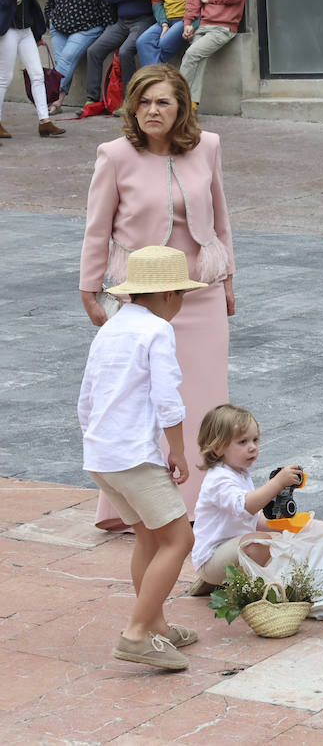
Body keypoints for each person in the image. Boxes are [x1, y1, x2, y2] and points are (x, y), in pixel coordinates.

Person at [81, 64, 236, 531]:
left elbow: (222, 219)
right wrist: (90, 291)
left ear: (181, 107)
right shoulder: (114, 155)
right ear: (132, 106)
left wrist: (229, 278)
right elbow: (97, 229)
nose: (152, 110)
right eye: (143, 101)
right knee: (139, 401)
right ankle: (137, 508)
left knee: (205, 401)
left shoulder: (208, 146)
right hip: (139, 299)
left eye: (163, 102)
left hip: (200, 295)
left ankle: (198, 506)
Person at [78, 244, 205, 670]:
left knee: (150, 538)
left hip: (101, 454)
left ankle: (157, 627)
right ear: (169, 295)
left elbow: (87, 395)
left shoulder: (111, 327)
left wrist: (94, 441)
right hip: (134, 456)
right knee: (179, 539)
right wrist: (178, 450)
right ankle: (135, 633)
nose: (182, 303)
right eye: (182, 295)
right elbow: (167, 398)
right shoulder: (157, 331)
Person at [190, 403, 305, 590]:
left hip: (225, 553)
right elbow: (246, 506)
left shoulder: (239, 473)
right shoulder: (219, 478)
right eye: (243, 442)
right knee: (258, 543)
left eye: (255, 440)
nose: (252, 447)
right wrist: (277, 483)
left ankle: (218, 583)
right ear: (218, 448)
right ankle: (239, 590)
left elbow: (250, 518)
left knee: (261, 538)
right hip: (211, 558)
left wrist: (287, 526)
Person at [82, 0, 155, 116]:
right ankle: (93, 98)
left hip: (143, 21)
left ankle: (128, 101)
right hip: (121, 23)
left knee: (125, 52)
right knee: (94, 50)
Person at [0, 0, 65, 138]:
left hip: (26, 31)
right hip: (8, 31)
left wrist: (38, 34)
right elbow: (4, 1)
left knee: (37, 75)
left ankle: (44, 121)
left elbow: (31, 5)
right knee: (4, 77)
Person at [44, 0, 109, 116]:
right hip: (59, 28)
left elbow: (106, 5)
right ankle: (55, 100)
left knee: (65, 60)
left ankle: (55, 100)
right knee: (63, 63)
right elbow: (50, 2)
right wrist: (49, 18)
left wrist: (108, 29)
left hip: (87, 28)